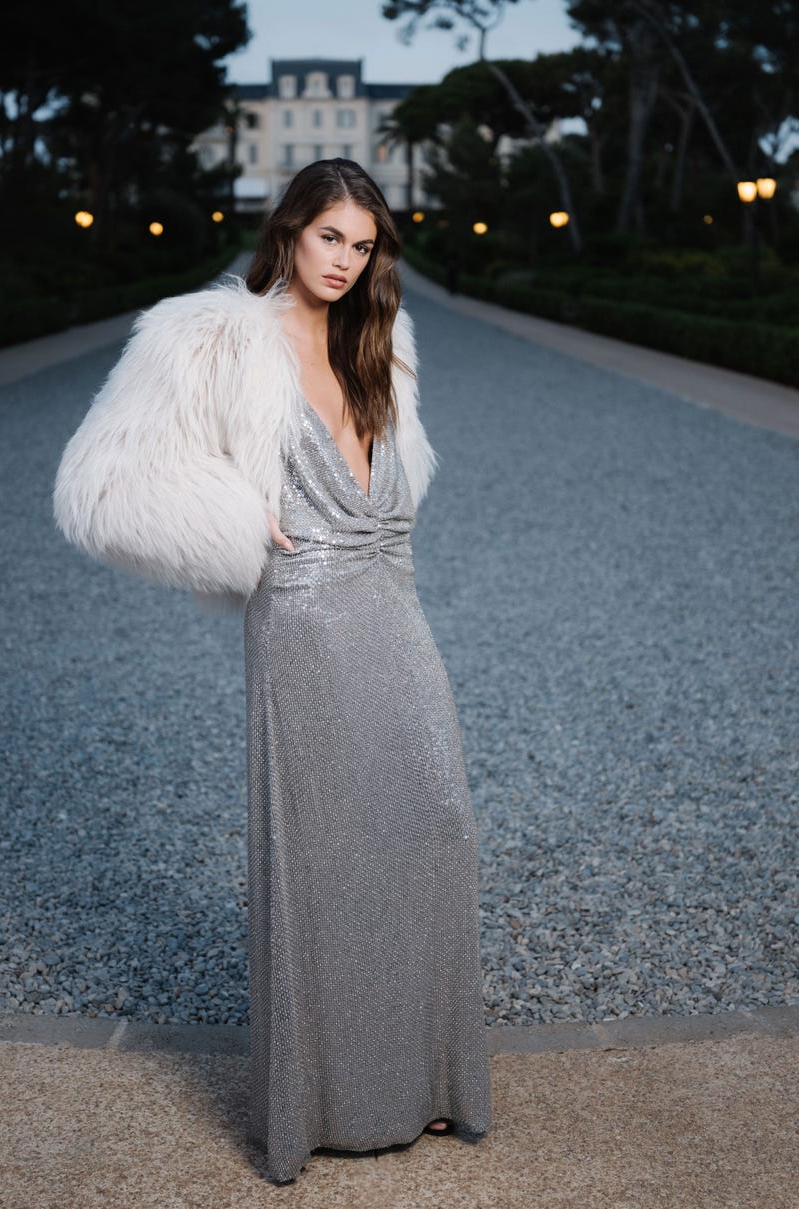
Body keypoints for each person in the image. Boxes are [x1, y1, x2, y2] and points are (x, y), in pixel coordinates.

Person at [53, 158, 492, 1184]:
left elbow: (396, 492)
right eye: (329, 236)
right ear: (290, 227)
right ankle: (330, 1102)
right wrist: (228, 514)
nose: (344, 260)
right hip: (302, 622)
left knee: (433, 826)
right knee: (324, 858)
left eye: (363, 243)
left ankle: (421, 1080)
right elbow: (98, 481)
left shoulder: (382, 337)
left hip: (394, 606)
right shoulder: (210, 334)